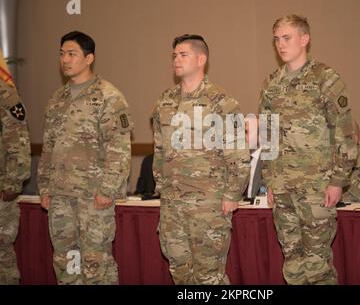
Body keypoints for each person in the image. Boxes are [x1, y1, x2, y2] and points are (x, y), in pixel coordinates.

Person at [259, 14, 357, 284]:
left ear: (305, 39)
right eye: (276, 39)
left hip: (317, 187)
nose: (280, 44)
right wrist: (268, 182)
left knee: (317, 265)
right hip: (282, 188)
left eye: (286, 37)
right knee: (292, 262)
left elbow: (345, 133)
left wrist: (338, 181)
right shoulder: (271, 84)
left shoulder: (325, 78)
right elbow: (267, 136)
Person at [152, 34, 250, 284]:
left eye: (183, 54)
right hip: (172, 206)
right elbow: (160, 151)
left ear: (201, 59)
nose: (176, 59)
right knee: (180, 272)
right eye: (174, 55)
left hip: (209, 206)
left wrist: (231, 195)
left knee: (209, 277)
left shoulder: (221, 101)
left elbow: (238, 153)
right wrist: (162, 189)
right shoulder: (164, 101)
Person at [37, 31, 132, 284]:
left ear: (89, 58)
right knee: (66, 262)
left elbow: (119, 148)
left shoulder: (108, 96)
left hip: (94, 197)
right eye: (61, 54)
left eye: (72, 54)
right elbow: (48, 148)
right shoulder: (57, 99)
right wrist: (45, 187)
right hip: (60, 197)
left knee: (95, 264)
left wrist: (107, 190)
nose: (65, 60)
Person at [0, 74, 31, 284]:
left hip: (1, 189)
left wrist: (13, 182)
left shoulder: (4, 93)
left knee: (2, 254)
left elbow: (18, 139)